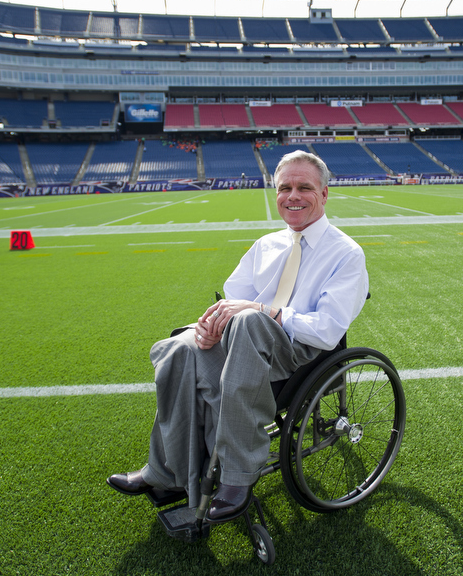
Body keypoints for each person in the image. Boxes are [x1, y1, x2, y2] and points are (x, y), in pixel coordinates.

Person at [107, 150, 368, 521]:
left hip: (302, 353)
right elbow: (233, 299)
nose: (292, 196)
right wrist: (210, 325)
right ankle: (164, 472)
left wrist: (263, 311)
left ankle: (238, 476)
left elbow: (326, 330)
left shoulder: (346, 253)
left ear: (324, 194)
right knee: (178, 348)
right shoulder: (266, 244)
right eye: (285, 188)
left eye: (304, 187)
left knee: (249, 321)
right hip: (246, 344)